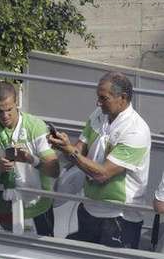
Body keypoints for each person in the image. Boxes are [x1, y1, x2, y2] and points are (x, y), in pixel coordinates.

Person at [48, 72, 150, 249]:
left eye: (104, 98)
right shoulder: (98, 114)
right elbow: (79, 151)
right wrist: (63, 146)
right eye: (98, 97)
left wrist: (70, 151)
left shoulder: (136, 131)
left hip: (120, 217)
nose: (98, 103)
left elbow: (102, 174)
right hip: (89, 208)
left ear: (122, 98)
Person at [0, 81, 60, 236]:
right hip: (2, 206)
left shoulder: (36, 127)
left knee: (40, 251)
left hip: (38, 208)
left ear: (17, 103)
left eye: (9, 109)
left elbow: (55, 171)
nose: (5, 116)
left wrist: (31, 159)